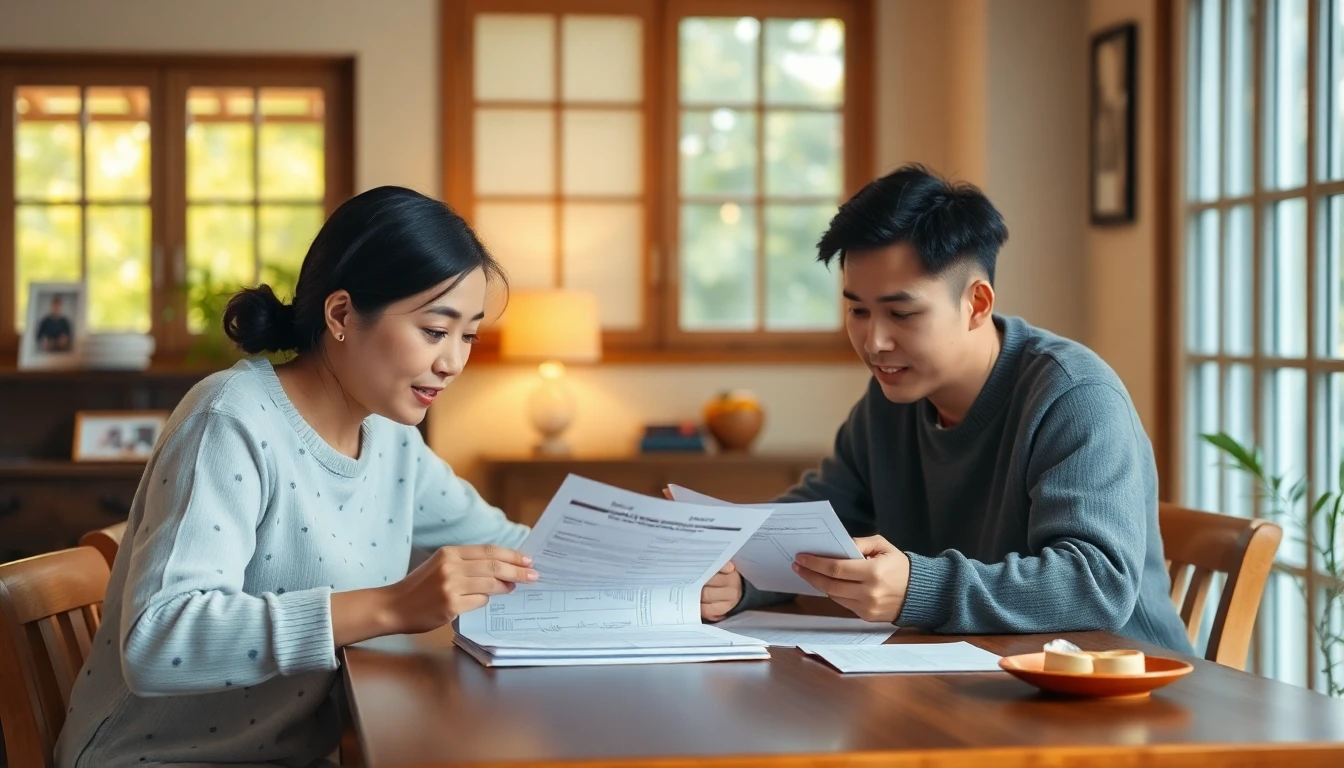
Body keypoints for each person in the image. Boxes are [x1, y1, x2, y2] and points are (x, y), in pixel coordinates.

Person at [56, 187, 539, 768]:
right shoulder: (230, 417)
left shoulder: (391, 438)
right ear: (340, 314)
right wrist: (390, 606)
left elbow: (516, 550)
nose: (453, 362)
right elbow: (160, 639)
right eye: (435, 331)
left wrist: (664, 551)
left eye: (469, 336)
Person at [698, 164, 1192, 654]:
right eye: (857, 310)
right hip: (982, 683)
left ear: (977, 304)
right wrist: (742, 576)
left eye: (902, 313)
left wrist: (919, 587)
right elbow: (820, 523)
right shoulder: (890, 401)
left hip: (1121, 692)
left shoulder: (1073, 396)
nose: (874, 341)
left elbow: (1096, 585)